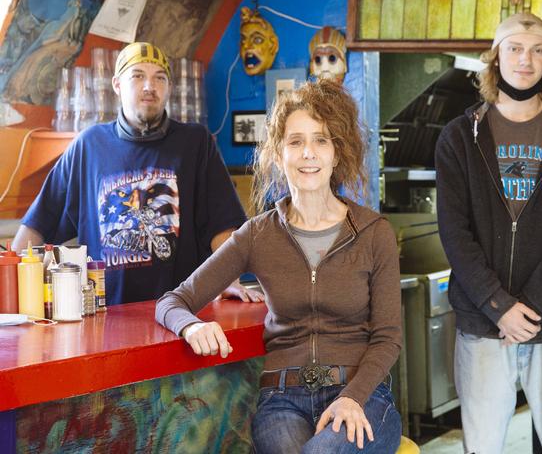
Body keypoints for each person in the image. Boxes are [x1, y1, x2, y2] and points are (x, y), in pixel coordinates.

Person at [155, 80, 403, 453]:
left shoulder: (373, 233)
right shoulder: (257, 234)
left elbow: (388, 338)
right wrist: (190, 326)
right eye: (295, 141)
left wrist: (352, 397)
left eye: (321, 140)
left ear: (337, 154)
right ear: (278, 154)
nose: (308, 154)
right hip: (283, 400)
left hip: (363, 395)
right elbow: (172, 301)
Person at [435, 12, 542, 454]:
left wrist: (531, 307)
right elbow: (454, 233)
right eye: (514, 48)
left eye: (537, 50)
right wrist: (499, 306)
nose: (525, 60)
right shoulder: (459, 137)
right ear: (495, 58)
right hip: (483, 324)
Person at [13, 42, 261, 305]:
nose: (149, 86)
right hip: (106, 315)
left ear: (169, 87)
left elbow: (221, 222)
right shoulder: (88, 146)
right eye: (138, 76)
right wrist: (11, 278)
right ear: (117, 85)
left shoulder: (196, 142)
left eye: (159, 78)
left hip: (184, 312)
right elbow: (39, 222)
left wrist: (228, 281)